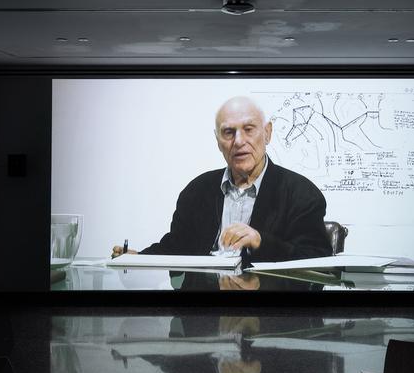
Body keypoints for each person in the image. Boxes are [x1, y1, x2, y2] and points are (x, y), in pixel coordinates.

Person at [112, 96, 331, 263]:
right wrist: (139, 257)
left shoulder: (301, 193)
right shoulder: (197, 191)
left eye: (248, 129)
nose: (238, 141)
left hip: (274, 313)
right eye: (228, 132)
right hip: (202, 311)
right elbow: (178, 246)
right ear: (218, 141)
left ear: (267, 133)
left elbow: (316, 261)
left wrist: (260, 242)